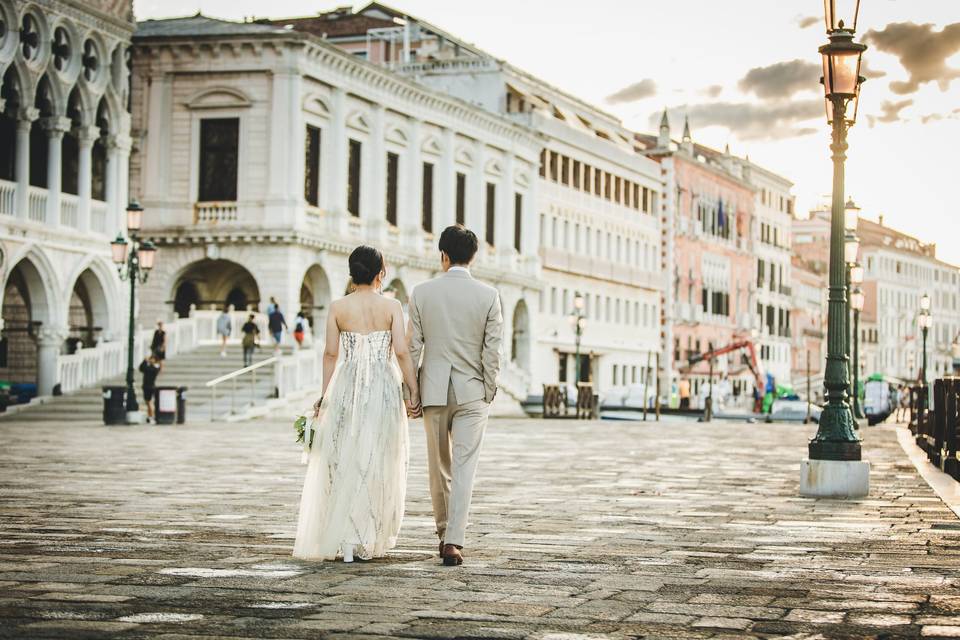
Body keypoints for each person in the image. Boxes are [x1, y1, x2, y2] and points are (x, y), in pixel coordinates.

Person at [293, 246, 419, 563]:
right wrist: (412, 389)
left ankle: (345, 540)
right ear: (381, 273)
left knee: (341, 457)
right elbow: (402, 352)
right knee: (377, 459)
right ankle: (366, 536)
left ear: (353, 273)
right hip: (383, 386)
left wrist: (324, 396)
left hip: (346, 386)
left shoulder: (337, 307)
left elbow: (330, 354)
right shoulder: (391, 306)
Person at [408, 225, 503, 567]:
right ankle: (454, 542)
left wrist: (412, 393)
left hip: (433, 389)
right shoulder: (489, 295)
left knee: (438, 467)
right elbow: (493, 350)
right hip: (473, 391)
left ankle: (443, 531)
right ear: (473, 257)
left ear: (443, 256)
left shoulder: (421, 292)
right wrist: (488, 389)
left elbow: (412, 347)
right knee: (465, 468)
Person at [138, 354, 161, 423]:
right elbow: (141, 368)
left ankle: (151, 416)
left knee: (149, 402)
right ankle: (149, 415)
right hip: (146, 386)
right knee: (147, 402)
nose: (151, 360)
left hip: (150, 386)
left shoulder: (154, 368)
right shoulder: (150, 367)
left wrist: (146, 361)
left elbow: (144, 368)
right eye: (150, 358)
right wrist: (145, 361)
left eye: (152, 359)